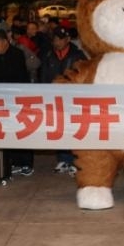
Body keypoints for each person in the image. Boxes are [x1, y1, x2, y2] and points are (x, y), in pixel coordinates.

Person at [0, 29, 34, 176]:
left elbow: (8, 75)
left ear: (5, 42)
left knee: (22, 130)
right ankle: (15, 161)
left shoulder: (16, 54)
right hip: (5, 100)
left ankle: (26, 163)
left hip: (19, 99)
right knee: (9, 131)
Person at [40, 26, 88, 175]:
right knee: (59, 128)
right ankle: (63, 159)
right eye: (55, 39)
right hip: (55, 98)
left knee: (74, 129)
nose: (57, 42)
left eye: (60, 39)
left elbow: (84, 76)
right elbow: (44, 76)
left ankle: (75, 160)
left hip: (73, 99)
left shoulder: (78, 55)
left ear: (67, 39)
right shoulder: (48, 55)